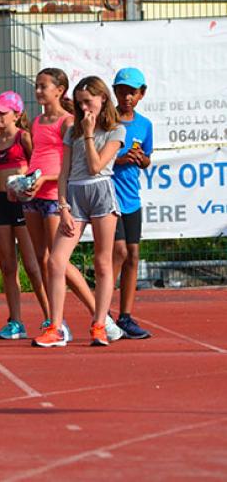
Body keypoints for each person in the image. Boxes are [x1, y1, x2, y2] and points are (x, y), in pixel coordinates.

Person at [33, 76, 125, 347]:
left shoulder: (115, 130)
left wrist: (88, 132)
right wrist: (62, 206)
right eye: (80, 103)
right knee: (56, 261)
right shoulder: (71, 130)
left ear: (102, 99)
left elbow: (97, 166)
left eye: (89, 102)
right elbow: (63, 173)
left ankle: (99, 324)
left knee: (102, 262)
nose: (85, 108)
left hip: (100, 192)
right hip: (75, 194)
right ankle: (56, 327)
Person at [0, 91, 51, 338]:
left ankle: (50, 317)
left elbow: (37, 166)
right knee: (7, 264)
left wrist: (24, 187)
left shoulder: (23, 138)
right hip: (2, 202)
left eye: (3, 112)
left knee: (33, 264)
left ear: (17, 115)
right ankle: (16, 321)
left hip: (23, 202)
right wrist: (3, 188)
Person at [111, 67, 153, 339]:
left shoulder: (145, 125)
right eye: (123, 90)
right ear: (114, 92)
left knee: (133, 255)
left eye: (132, 92)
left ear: (141, 94)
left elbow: (147, 157)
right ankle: (102, 312)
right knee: (117, 253)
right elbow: (93, 157)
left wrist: (142, 160)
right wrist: (120, 159)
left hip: (131, 199)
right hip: (108, 197)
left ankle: (125, 317)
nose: (127, 96)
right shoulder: (106, 120)